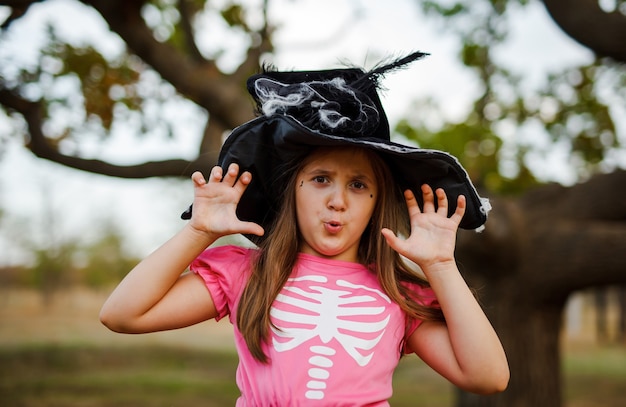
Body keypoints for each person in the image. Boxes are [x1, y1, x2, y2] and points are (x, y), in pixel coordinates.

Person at [100, 52, 509, 405]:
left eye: (358, 185)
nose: (337, 200)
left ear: (376, 204)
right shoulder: (247, 272)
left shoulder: (397, 293)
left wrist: (440, 266)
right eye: (320, 179)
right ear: (290, 191)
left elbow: (488, 377)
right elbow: (122, 315)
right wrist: (199, 233)